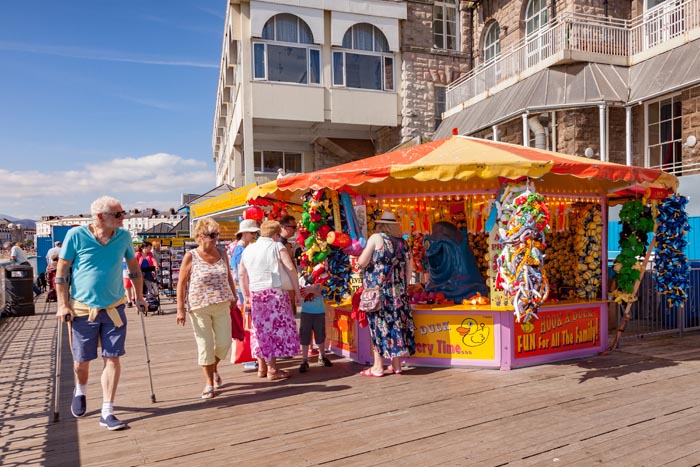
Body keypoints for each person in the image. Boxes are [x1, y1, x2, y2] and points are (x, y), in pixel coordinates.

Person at [55, 196, 146, 431]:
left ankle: (107, 410)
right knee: (81, 361)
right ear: (99, 217)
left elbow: (134, 267)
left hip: (114, 307)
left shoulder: (124, 237)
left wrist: (140, 296)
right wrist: (62, 305)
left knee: (112, 357)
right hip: (83, 309)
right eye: (118, 214)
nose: (123, 217)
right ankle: (81, 389)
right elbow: (62, 272)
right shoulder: (76, 236)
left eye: (122, 212)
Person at [176, 218, 236, 399]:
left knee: (225, 343)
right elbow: (181, 283)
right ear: (200, 236)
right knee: (205, 345)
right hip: (199, 305)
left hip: (222, 303)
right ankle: (209, 382)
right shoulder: (191, 256)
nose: (215, 238)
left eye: (217, 235)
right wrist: (180, 309)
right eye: (212, 235)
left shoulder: (222, 253)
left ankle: (213, 367)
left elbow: (229, 277)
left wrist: (233, 296)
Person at [238, 220, 301, 381]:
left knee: (260, 330)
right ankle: (272, 369)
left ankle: (262, 367)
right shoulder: (276, 246)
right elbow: (291, 269)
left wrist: (246, 296)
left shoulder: (248, 249)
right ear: (275, 234)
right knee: (274, 331)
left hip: (255, 294)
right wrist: (297, 292)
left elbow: (242, 275)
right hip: (275, 293)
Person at [356, 211, 416, 377]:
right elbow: (410, 269)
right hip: (398, 294)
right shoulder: (403, 244)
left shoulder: (376, 238)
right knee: (396, 325)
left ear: (380, 224)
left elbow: (362, 261)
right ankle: (396, 365)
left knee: (379, 327)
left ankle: (378, 366)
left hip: (379, 293)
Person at [298, 280, 332, 373]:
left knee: (320, 334)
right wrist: (298, 297)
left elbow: (325, 293)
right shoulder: (302, 279)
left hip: (319, 312)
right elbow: (298, 292)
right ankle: (304, 360)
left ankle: (322, 356)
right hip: (306, 312)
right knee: (305, 335)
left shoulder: (321, 278)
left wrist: (313, 290)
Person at [231, 219, 260, 306]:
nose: (255, 235)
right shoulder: (241, 249)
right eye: (252, 233)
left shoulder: (243, 247)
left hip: (245, 287)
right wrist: (246, 295)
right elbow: (241, 273)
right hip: (245, 288)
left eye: (256, 233)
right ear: (244, 233)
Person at [278, 215, 299, 314]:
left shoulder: (286, 243)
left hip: (289, 285)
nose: (295, 230)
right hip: (284, 287)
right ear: (285, 227)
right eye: (294, 227)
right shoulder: (278, 244)